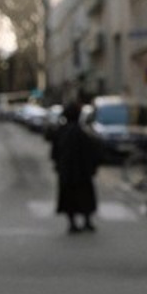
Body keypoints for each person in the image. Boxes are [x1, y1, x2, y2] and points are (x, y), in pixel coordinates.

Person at [50, 100, 98, 233]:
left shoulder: (62, 132)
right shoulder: (82, 132)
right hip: (82, 172)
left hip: (67, 172)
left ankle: (73, 223)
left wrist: (58, 165)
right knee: (85, 197)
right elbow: (92, 152)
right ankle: (86, 221)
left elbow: (55, 153)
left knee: (69, 198)